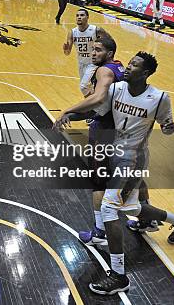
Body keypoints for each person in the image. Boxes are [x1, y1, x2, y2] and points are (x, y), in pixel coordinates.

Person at [57, 51, 174, 294]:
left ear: (146, 73)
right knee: (133, 209)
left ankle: (119, 275)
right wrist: (70, 114)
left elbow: (168, 127)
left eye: (134, 65)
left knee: (110, 208)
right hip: (113, 152)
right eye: (129, 63)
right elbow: (95, 111)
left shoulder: (160, 97)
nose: (128, 67)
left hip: (133, 160)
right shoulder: (117, 89)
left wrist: (170, 127)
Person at [54, 34, 125, 246]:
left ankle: (99, 233)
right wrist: (74, 115)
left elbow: (98, 98)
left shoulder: (104, 70)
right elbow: (97, 108)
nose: (93, 53)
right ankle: (160, 220)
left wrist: (68, 109)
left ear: (110, 54)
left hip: (104, 132)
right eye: (93, 50)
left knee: (98, 183)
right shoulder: (120, 68)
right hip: (121, 131)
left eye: (98, 50)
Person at [63, 9, 102, 95]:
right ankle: (93, 105)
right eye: (77, 16)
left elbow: (109, 42)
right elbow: (67, 53)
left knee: (84, 86)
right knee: (87, 89)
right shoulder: (72, 32)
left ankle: (92, 105)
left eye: (82, 15)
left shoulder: (96, 30)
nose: (79, 17)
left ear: (87, 17)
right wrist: (66, 49)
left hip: (94, 63)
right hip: (81, 63)